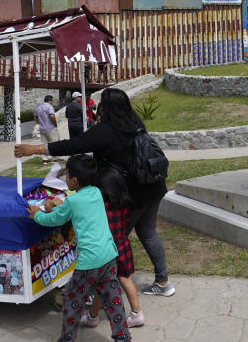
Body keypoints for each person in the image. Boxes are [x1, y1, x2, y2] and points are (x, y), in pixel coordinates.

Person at [15, 88, 173, 297]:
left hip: (131, 193)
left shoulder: (106, 130)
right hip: (153, 186)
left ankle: (97, 291)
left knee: (110, 241)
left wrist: (36, 149)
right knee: (148, 234)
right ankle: (162, 282)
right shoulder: (134, 124)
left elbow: (73, 145)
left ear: (105, 108)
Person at [27, 155, 135, 342]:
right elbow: (75, 209)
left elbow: (54, 220)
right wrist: (59, 205)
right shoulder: (95, 192)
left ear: (74, 180)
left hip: (89, 263)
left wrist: (36, 215)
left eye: (67, 175)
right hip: (109, 256)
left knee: (72, 302)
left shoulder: (73, 200)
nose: (65, 178)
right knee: (112, 300)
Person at [82, 166, 145, 329]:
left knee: (100, 284)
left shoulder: (101, 208)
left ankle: (93, 316)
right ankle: (136, 313)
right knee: (125, 278)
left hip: (107, 251)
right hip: (123, 246)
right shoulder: (124, 204)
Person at [34, 95, 59, 161]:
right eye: (52, 101)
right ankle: (54, 158)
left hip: (42, 128)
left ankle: (44, 159)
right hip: (50, 128)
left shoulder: (39, 107)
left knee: (44, 144)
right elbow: (52, 116)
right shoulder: (49, 107)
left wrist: (39, 123)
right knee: (55, 143)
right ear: (50, 100)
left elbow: (35, 117)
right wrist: (55, 124)